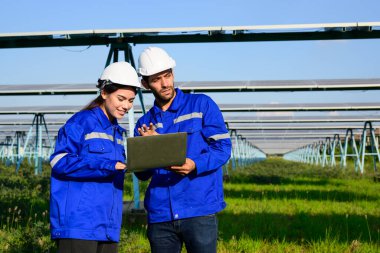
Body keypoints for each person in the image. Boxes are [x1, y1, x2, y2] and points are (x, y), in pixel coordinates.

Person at [134, 47, 232, 253]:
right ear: (145, 83)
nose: (165, 83)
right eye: (156, 79)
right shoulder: (144, 124)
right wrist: (146, 148)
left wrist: (195, 164)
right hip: (161, 214)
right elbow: (142, 175)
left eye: (167, 75)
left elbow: (223, 148)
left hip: (199, 209)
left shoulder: (202, 105)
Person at [49, 62, 140, 253]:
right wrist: (108, 165)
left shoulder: (116, 132)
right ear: (104, 92)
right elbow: (59, 161)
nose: (126, 106)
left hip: (107, 225)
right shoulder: (81, 122)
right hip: (79, 225)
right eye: (121, 98)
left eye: (131, 100)